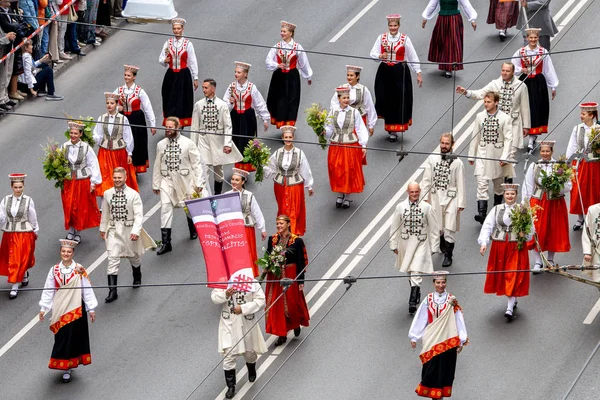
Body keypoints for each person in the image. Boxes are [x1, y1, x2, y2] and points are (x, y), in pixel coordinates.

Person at [457, 62, 530, 182]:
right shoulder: (495, 84)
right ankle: (499, 183)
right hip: (498, 126)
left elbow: (525, 106)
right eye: (503, 70)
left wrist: (526, 126)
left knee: (509, 157)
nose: (504, 73)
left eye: (507, 71)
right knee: (500, 155)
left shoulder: (521, 86)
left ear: (512, 72)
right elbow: (481, 93)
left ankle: (508, 186)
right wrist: (466, 92)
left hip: (513, 124)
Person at [38, 239, 97, 383]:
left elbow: (86, 289)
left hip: (76, 308)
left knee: (74, 336)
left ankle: (69, 367)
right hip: (60, 308)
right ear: (60, 252)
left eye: (68, 252)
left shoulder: (79, 269)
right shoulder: (54, 270)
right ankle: (64, 364)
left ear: (73, 253)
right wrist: (43, 308)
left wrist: (91, 309)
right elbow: (49, 289)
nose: (66, 254)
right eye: (63, 251)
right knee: (62, 336)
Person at [152, 116, 209, 255]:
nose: (167, 129)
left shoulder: (188, 143)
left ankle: (193, 228)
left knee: (188, 207)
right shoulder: (161, 145)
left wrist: (199, 182)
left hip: (185, 181)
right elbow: (157, 165)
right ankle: (166, 243)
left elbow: (197, 165)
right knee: (165, 207)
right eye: (166, 127)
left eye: (170, 127)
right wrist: (156, 184)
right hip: (167, 181)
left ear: (178, 127)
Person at [409, 271, 468, 399]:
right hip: (431, 339)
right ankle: (434, 395)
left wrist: (461, 340)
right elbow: (421, 318)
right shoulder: (428, 299)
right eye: (438, 282)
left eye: (443, 282)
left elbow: (458, 319)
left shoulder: (451, 300)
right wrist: (414, 336)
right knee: (430, 368)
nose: (441, 285)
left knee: (444, 370)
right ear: (434, 283)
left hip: (447, 340)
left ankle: (438, 396)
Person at [100, 167, 154, 303]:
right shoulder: (107, 194)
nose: (117, 180)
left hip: (129, 230)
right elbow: (105, 213)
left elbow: (138, 215)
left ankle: (137, 275)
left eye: (119, 177)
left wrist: (136, 231)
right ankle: (113, 291)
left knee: (133, 256)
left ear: (125, 178)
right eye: (115, 177)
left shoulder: (133, 194)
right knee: (112, 259)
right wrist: (102, 228)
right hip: (113, 230)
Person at [478, 184, 531, 320]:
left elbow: (531, 230)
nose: (509, 196)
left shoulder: (523, 210)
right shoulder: (497, 209)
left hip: (516, 246)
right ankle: (512, 299)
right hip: (500, 246)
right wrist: (484, 243)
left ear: (516, 195)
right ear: (504, 195)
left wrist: (524, 233)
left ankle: (509, 307)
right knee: (503, 273)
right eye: (507, 194)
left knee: (512, 273)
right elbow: (488, 226)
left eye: (512, 194)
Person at [370, 14, 423, 142]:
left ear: (399, 26)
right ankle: (389, 126)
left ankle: (393, 130)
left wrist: (418, 72)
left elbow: (412, 56)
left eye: (395, 25)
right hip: (385, 72)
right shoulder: (381, 38)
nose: (392, 28)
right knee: (385, 98)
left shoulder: (405, 39)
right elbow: (372, 53)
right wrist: (380, 56)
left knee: (398, 99)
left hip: (400, 72)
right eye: (390, 26)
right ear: (388, 26)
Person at [390, 182, 440, 314]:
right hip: (405, 244)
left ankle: (412, 301)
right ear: (408, 192)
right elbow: (395, 227)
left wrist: (434, 246)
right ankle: (416, 290)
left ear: (420, 191)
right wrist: (393, 244)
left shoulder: (427, 207)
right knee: (409, 271)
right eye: (412, 192)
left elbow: (434, 228)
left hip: (420, 243)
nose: (414, 194)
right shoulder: (400, 207)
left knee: (416, 270)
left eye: (416, 192)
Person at [211, 285, 268, 399]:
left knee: (249, 353)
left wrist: (244, 308)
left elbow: (261, 301)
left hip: (245, 323)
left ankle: (251, 366)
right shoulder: (223, 281)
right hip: (228, 324)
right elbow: (214, 297)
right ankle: (231, 386)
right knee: (229, 355)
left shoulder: (251, 281)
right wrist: (226, 294)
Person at [522, 141, 571, 273]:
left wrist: (557, 186)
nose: (544, 154)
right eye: (542, 151)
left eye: (547, 151)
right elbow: (527, 186)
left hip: (555, 203)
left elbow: (568, 186)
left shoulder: (559, 166)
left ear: (552, 152)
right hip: (538, 202)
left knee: (553, 230)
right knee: (536, 231)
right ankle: (538, 261)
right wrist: (524, 205)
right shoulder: (534, 166)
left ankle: (550, 259)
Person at [420, 133, 466, 268]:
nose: (444, 146)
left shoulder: (457, 163)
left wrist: (461, 202)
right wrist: (424, 198)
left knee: (449, 227)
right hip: (435, 198)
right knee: (437, 226)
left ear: (452, 144)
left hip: (451, 199)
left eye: (447, 144)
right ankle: (441, 244)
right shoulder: (432, 159)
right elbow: (426, 180)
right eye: (442, 143)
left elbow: (461, 183)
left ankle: (448, 255)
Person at [264, 215, 310, 347]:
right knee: (276, 305)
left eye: (281, 223)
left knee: (292, 304)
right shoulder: (272, 240)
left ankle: (295, 323)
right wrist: (267, 266)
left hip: (290, 275)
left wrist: (301, 281)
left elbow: (301, 262)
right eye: (277, 223)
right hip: (275, 276)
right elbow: (268, 255)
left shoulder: (296, 241)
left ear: (288, 224)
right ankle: (281, 334)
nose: (279, 226)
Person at [191, 78, 242, 195]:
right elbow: (194, 127)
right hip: (204, 141)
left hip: (218, 141)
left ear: (213, 89)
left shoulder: (222, 105)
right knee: (204, 169)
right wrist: (193, 146)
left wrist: (227, 143)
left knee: (219, 170)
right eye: (203, 87)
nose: (203, 90)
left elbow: (228, 125)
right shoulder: (198, 105)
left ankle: (217, 194)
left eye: (206, 87)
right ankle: (205, 197)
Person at [467, 91, 512, 224]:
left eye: (489, 102)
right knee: (481, 184)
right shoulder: (480, 116)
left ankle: (496, 210)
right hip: (482, 155)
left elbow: (508, 140)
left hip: (497, 156)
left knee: (498, 186)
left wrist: (504, 157)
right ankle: (482, 215)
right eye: (485, 102)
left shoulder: (505, 118)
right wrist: (471, 155)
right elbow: (475, 136)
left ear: (496, 102)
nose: (486, 104)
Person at [511, 27, 559, 153]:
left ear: (538, 38)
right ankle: (521, 135)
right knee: (523, 110)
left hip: (538, 83)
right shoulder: (520, 52)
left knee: (536, 110)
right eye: (530, 38)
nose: (533, 40)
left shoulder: (543, 52)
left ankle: (532, 138)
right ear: (527, 38)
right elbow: (512, 66)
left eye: (535, 38)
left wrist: (553, 86)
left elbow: (548, 69)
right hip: (524, 83)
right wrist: (521, 70)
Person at [263, 125, 314, 236]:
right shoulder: (277, 153)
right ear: (282, 137)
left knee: (294, 210)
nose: (288, 139)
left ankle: (292, 234)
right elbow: (270, 166)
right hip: (280, 185)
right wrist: (261, 169)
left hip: (295, 185)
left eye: (290, 137)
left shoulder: (300, 153)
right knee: (283, 208)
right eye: (286, 137)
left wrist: (309, 186)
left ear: (293, 138)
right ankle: (283, 232)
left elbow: (305, 169)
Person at [324, 86, 368, 209]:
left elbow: (360, 128)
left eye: (348, 98)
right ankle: (340, 194)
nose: (346, 100)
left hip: (350, 145)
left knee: (348, 170)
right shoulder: (332, 112)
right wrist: (323, 132)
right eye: (344, 98)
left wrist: (363, 144)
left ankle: (347, 196)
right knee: (337, 169)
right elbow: (329, 128)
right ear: (339, 99)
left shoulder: (354, 112)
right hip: (336, 145)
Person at [223, 61, 270, 172]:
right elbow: (225, 103)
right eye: (235, 72)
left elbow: (259, 103)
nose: (236, 74)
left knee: (247, 141)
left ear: (245, 74)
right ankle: (238, 166)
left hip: (247, 117)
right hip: (235, 117)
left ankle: (246, 166)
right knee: (236, 140)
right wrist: (230, 102)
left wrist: (265, 119)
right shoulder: (232, 87)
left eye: (239, 72)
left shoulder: (251, 88)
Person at [265, 20, 312, 128]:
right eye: (281, 31)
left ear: (291, 33)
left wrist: (308, 76)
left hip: (292, 78)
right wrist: (277, 65)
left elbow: (303, 62)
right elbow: (268, 60)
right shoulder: (277, 46)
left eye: (284, 31)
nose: (282, 33)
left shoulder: (297, 47)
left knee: (292, 101)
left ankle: (289, 127)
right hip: (279, 77)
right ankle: (282, 126)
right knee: (279, 101)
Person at [61, 120, 102, 243]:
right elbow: (61, 162)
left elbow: (93, 164)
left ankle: (77, 231)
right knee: (69, 206)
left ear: (80, 134)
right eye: (71, 133)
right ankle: (71, 229)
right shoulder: (64, 146)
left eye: (76, 133)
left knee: (79, 207)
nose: (73, 135)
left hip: (82, 181)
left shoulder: (86, 148)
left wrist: (93, 182)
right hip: (68, 181)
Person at [93, 92, 139, 200]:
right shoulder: (101, 118)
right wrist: (93, 138)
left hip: (119, 152)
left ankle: (120, 197)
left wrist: (129, 153)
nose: (109, 105)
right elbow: (97, 133)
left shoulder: (123, 119)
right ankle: (107, 201)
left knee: (118, 175)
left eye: (112, 103)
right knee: (105, 176)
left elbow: (128, 136)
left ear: (116, 104)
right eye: (107, 103)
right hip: (104, 152)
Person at [0, 173, 38, 299]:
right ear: (12, 187)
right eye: (16, 187)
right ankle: (24, 274)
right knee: (11, 257)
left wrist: (35, 230)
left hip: (23, 233)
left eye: (20, 187)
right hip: (9, 233)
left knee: (18, 258)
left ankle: (15, 286)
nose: (18, 190)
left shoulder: (28, 200)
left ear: (23, 187)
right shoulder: (6, 200)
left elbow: (32, 216)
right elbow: (3, 217)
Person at [114, 64, 157, 173]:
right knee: (123, 142)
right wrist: (118, 108)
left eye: (129, 75)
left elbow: (148, 107)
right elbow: (111, 104)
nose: (126, 77)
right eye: (125, 75)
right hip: (123, 119)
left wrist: (152, 125)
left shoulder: (139, 91)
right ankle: (124, 167)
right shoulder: (119, 90)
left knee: (137, 143)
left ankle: (135, 167)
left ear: (134, 77)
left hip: (136, 119)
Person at [226, 168, 266, 278]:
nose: (234, 182)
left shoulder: (249, 195)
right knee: (234, 252)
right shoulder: (226, 195)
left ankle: (249, 274)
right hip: (232, 229)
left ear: (243, 182)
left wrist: (262, 228)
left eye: (237, 180)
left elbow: (256, 212)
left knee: (248, 251)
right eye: (233, 179)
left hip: (246, 227)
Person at [158, 18, 199, 127]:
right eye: (174, 29)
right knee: (169, 97)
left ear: (182, 29)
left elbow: (192, 61)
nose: (176, 31)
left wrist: (195, 77)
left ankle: (180, 123)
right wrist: (164, 61)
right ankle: (170, 122)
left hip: (183, 75)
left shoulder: (187, 44)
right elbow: (161, 58)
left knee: (182, 98)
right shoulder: (168, 43)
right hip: (171, 75)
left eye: (178, 29)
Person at [421, 0, 477, 78]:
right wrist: (425, 18)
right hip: (442, 19)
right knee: (441, 41)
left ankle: (449, 68)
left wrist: (472, 19)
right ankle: (444, 62)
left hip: (454, 19)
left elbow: (466, 5)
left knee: (452, 43)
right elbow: (432, 5)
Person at [566, 102, 600, 230]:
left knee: (595, 190)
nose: (581, 116)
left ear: (591, 115)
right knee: (579, 189)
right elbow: (572, 145)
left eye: (583, 114)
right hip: (581, 163)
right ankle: (580, 218)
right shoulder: (578, 128)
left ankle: (594, 218)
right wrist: (568, 162)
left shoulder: (598, 129)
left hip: (596, 164)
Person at [329, 65, 376, 136]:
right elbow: (334, 103)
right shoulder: (342, 88)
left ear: (357, 76)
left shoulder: (363, 89)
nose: (349, 77)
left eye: (351, 75)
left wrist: (371, 125)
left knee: (359, 137)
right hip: (345, 118)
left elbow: (369, 106)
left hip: (360, 117)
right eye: (348, 75)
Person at [582, 202, 600, 283]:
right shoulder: (592, 210)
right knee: (598, 277)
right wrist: (587, 251)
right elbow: (586, 232)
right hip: (597, 249)